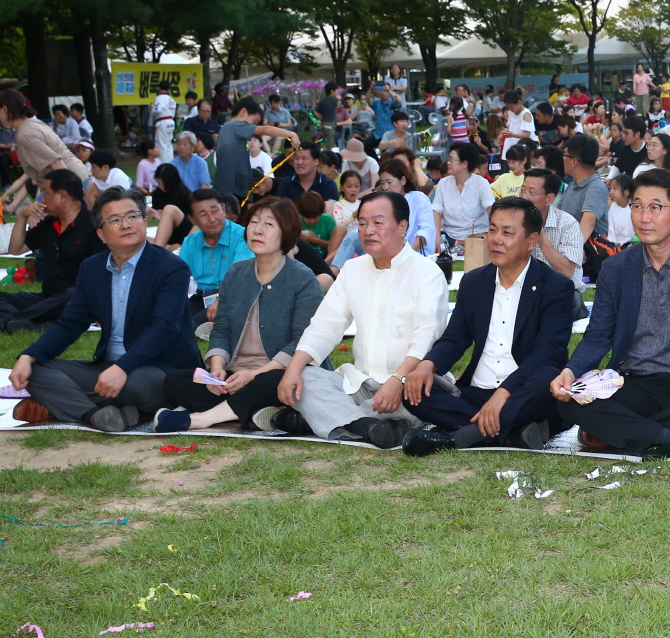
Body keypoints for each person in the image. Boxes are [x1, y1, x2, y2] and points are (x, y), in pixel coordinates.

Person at [549, 169, 670, 455]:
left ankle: (615, 431)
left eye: (655, 208)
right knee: (569, 400)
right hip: (634, 382)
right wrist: (570, 371)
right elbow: (598, 334)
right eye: (637, 207)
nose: (644, 218)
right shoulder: (616, 268)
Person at [7, 187, 201, 430]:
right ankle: (95, 415)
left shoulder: (171, 267)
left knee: (137, 386)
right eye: (115, 220)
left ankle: (59, 404)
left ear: (144, 222)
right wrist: (28, 356)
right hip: (108, 366)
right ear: (101, 234)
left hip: (160, 368)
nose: (126, 224)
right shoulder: (92, 268)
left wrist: (122, 368)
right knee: (35, 371)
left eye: (132, 216)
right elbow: (70, 323)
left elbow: (163, 328)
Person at [396, 197, 574, 454]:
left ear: (531, 241)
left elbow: (548, 353)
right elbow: (455, 338)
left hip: (523, 390)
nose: (495, 239)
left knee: (547, 378)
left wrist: (504, 392)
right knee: (414, 388)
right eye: (492, 230)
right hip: (477, 391)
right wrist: (426, 365)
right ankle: (513, 432)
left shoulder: (556, 287)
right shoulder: (474, 282)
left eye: (507, 233)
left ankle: (460, 437)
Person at [278, 190, 450, 447]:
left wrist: (398, 380)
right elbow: (325, 325)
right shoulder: (352, 269)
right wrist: (293, 370)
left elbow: (427, 336)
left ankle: (328, 420)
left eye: (378, 223)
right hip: (359, 384)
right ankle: (369, 426)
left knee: (426, 398)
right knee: (306, 378)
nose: (368, 231)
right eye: (362, 223)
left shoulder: (427, 273)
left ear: (403, 226)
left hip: (409, 385)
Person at [154, 198, 324, 431]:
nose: (258, 230)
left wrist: (253, 375)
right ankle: (258, 412)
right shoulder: (236, 273)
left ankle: (201, 419)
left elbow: (301, 342)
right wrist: (217, 369)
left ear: (287, 232)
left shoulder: (303, 278)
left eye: (269, 224)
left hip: (275, 371)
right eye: (254, 222)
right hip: (235, 373)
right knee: (176, 381)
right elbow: (221, 329)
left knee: (272, 382)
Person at [516, 167, 587, 318]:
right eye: (522, 190)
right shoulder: (515, 221)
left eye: (532, 192)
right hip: (524, 288)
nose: (524, 197)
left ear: (549, 199)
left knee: (566, 301)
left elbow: (567, 271)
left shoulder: (568, 224)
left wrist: (541, 238)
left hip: (561, 290)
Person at [179, 188, 254, 324]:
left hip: (235, 296)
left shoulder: (242, 236)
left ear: (223, 209)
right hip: (202, 298)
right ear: (192, 219)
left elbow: (241, 276)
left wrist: (221, 300)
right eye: (203, 214)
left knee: (189, 326)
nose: (212, 219)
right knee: (172, 319)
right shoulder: (190, 242)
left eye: (215, 211)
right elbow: (177, 278)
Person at [0, 89, 87, 191]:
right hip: (73, 180)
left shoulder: (25, 134)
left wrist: (72, 194)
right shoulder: (30, 125)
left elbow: (57, 163)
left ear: (5, 109)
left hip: (72, 184)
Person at [213, 97, 298, 200]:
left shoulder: (230, 130)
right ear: (243, 112)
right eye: (254, 122)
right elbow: (266, 129)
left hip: (234, 187)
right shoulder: (234, 125)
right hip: (231, 188)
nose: (253, 126)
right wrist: (291, 134)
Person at [430, 142, 494, 258]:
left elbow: (491, 209)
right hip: (450, 236)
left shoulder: (481, 183)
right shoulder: (443, 183)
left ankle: (462, 245)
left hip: (476, 236)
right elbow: (436, 211)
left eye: (452, 159)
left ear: (464, 163)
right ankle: (457, 245)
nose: (448, 162)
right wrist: (436, 235)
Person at [557, 133, 609, 245]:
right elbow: (557, 213)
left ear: (574, 161)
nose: (563, 159)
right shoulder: (572, 186)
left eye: (565, 155)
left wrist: (572, 249)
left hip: (586, 253)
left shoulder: (595, 188)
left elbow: (588, 223)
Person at [148, 163, 194, 249]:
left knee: (169, 210)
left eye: (163, 184)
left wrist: (167, 215)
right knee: (142, 239)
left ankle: (164, 248)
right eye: (159, 183)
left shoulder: (186, 195)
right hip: (166, 234)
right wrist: (155, 215)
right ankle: (169, 247)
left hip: (183, 232)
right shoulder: (157, 194)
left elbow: (190, 221)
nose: (161, 187)